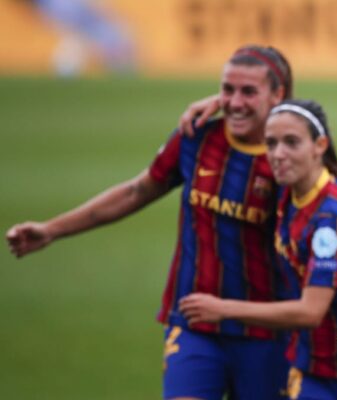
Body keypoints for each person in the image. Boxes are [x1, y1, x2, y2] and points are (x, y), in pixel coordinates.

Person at [7, 45, 296, 400]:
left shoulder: (289, 158)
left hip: (266, 331)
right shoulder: (198, 136)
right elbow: (137, 191)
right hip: (194, 322)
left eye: (248, 91)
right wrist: (52, 229)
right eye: (226, 90)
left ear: (278, 94)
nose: (234, 101)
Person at [179, 99, 337, 400]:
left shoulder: (330, 217)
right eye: (271, 143)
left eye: (291, 143)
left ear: (319, 145)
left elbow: (310, 311)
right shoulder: (289, 194)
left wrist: (220, 309)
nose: (278, 154)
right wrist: (222, 102)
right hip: (312, 371)